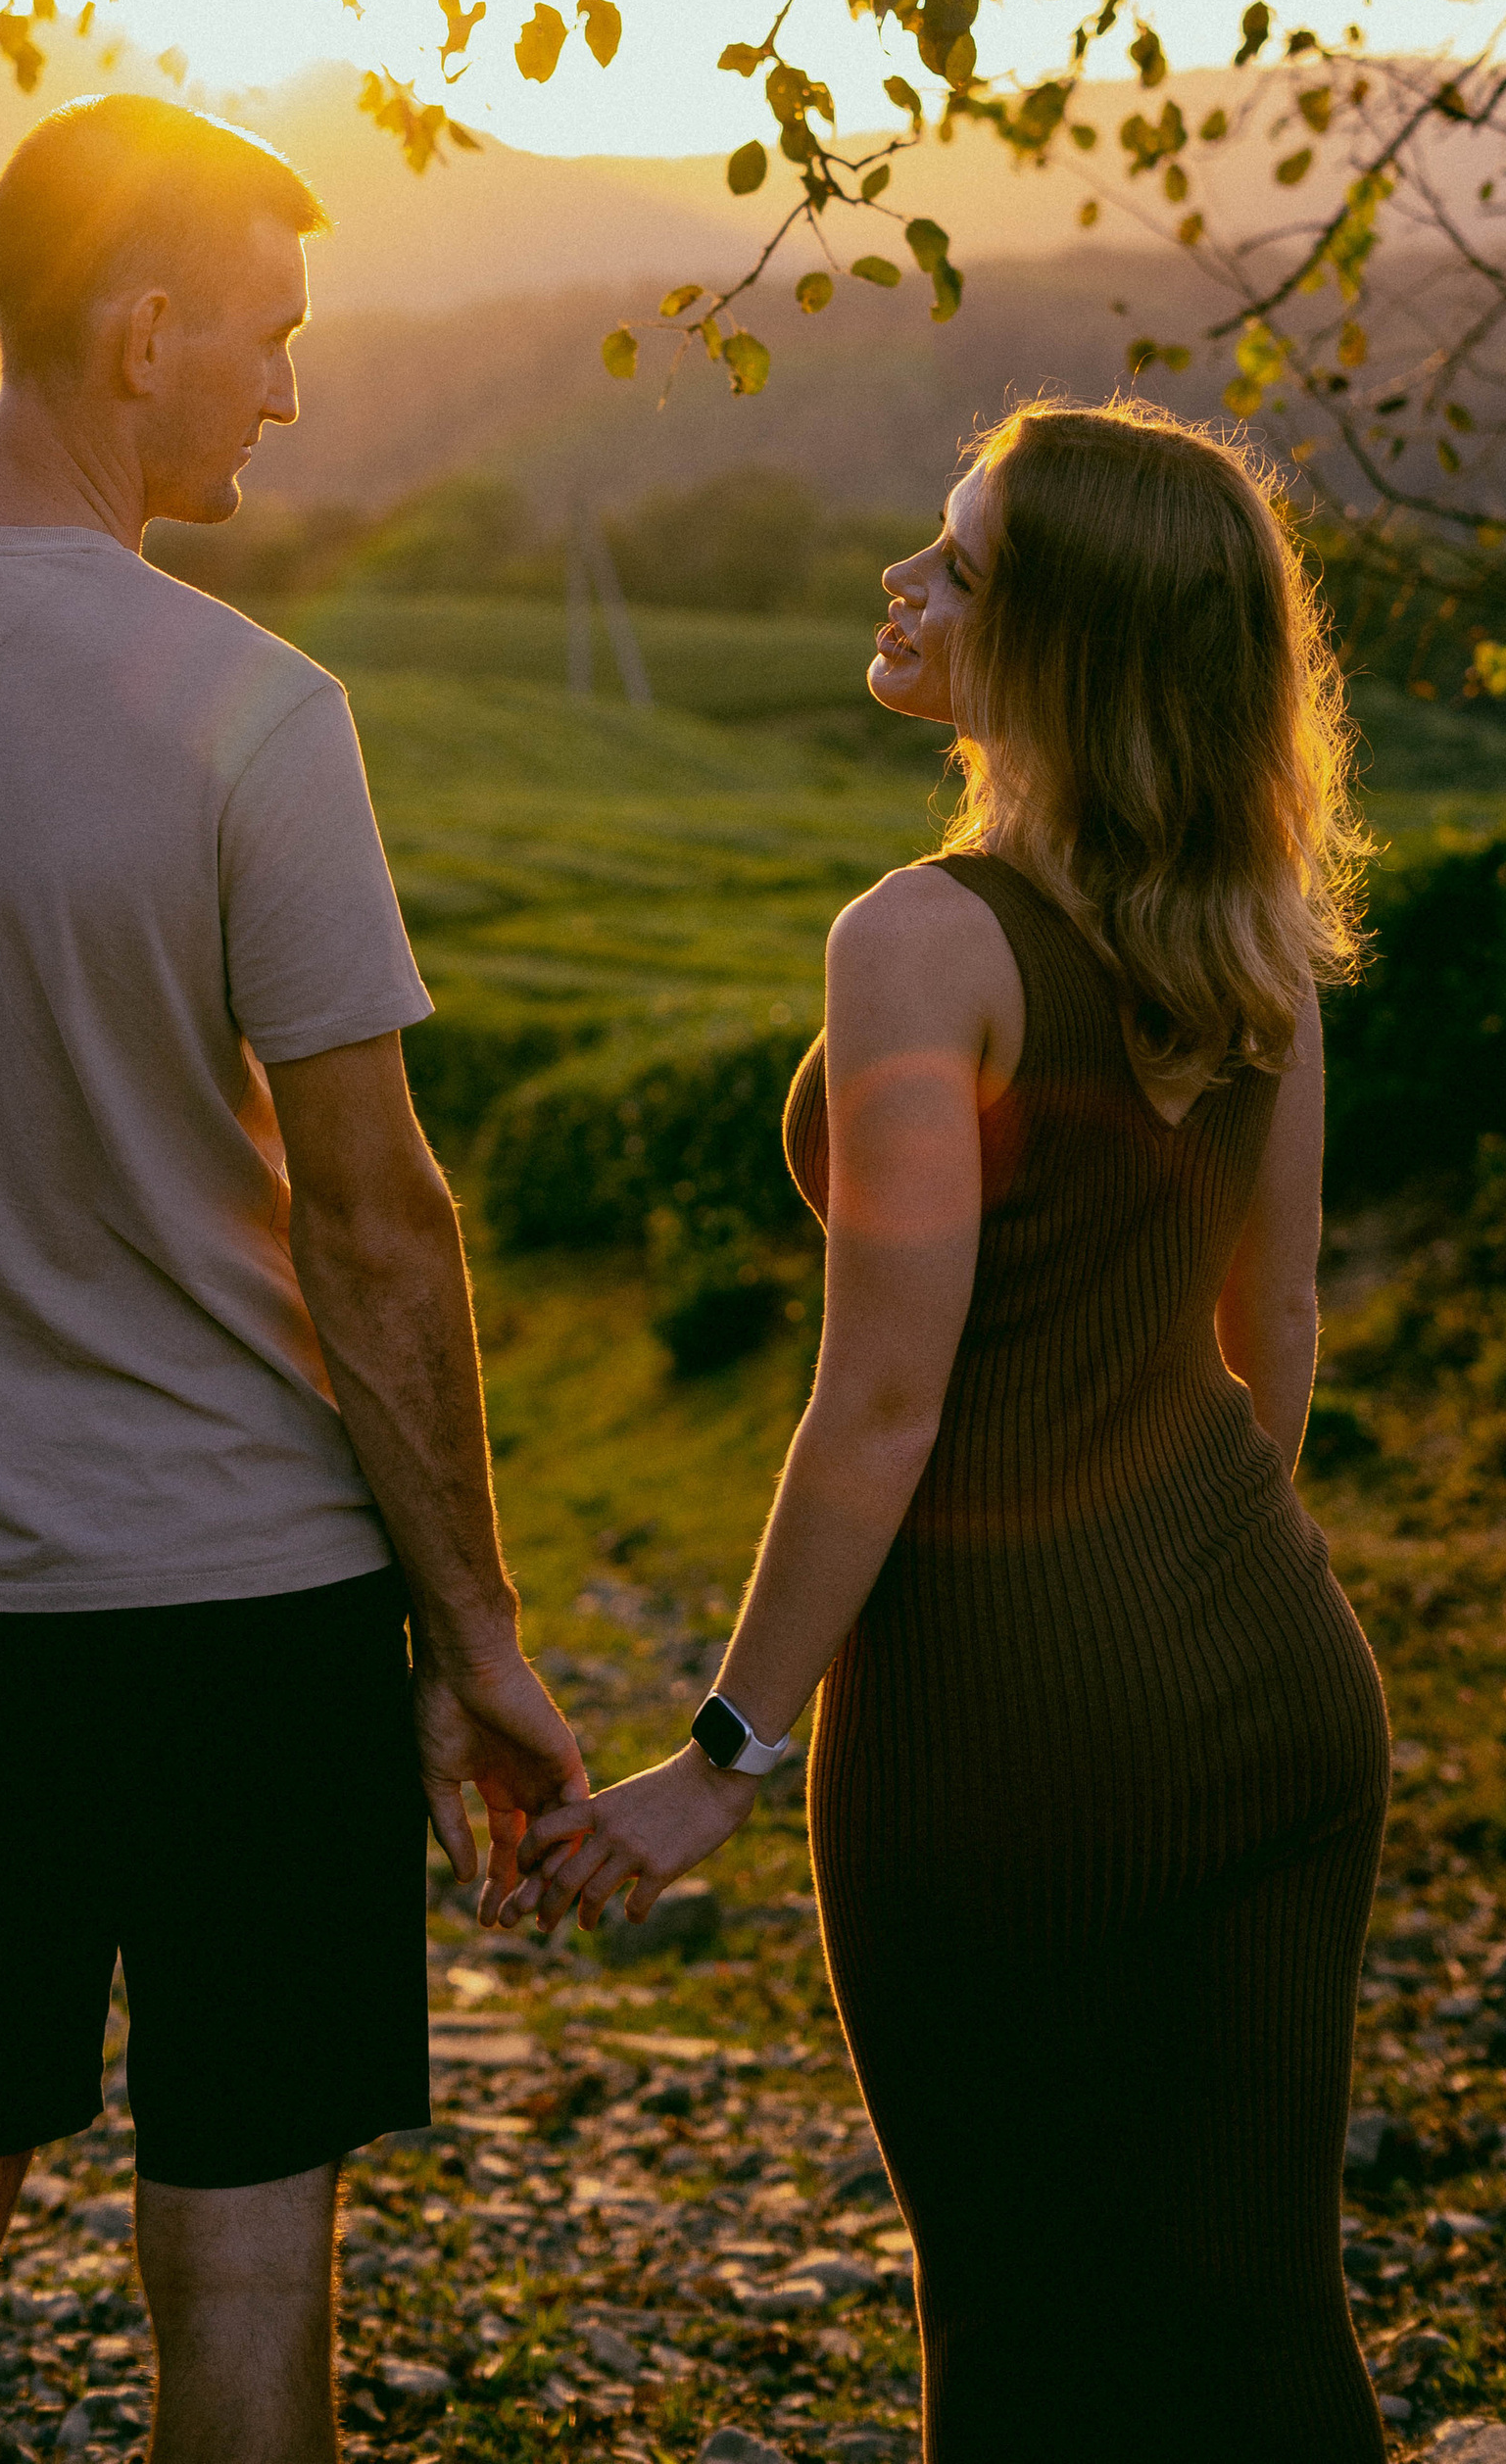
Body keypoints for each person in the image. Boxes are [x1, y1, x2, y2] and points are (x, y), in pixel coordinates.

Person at [0, 88, 583, 2464]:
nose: (287, 387)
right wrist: (475, 1635)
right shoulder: (257, 712)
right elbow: (373, 1222)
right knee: (244, 2254)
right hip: (245, 1620)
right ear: (141, 328)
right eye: (265, 335)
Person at [512, 397, 1389, 2464]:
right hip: (1275, 1681)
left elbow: (882, 1402)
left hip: (997, 1725)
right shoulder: (1255, 935)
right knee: (1259, 2311)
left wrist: (721, 1758)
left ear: (1066, 650)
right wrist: (1183, 1599)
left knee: (1021, 2314)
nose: (900, 583)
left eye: (962, 567)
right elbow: (1274, 1326)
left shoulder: (921, 942)